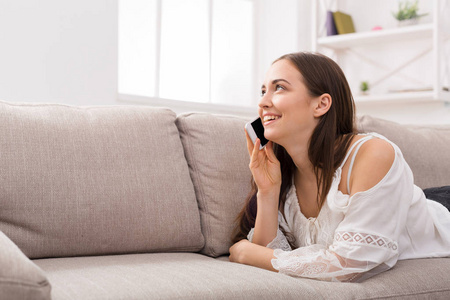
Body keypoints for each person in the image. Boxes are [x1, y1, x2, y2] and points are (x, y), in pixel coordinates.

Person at [229, 51, 450, 282]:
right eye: (263, 91)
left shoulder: (373, 153)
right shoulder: (283, 174)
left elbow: (351, 265)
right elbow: (266, 254)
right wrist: (268, 191)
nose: (263, 102)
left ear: (321, 104)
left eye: (280, 88)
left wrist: (248, 253)